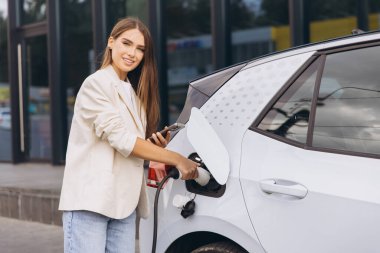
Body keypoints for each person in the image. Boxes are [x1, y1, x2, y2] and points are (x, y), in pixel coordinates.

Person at [58, 17, 199, 253]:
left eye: (140, 49)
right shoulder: (96, 84)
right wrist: (175, 157)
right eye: (126, 43)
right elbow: (122, 140)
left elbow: (129, 146)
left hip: (123, 204)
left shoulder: (133, 95)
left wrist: (154, 148)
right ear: (111, 42)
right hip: (91, 202)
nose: (132, 53)